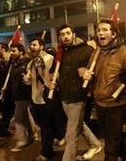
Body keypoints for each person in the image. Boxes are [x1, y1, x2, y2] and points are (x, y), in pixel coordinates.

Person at [82, 18, 126, 160]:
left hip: (116, 105)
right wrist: (85, 74)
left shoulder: (125, 52)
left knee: (110, 145)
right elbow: (90, 73)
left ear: (113, 34)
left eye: (105, 30)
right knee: (110, 138)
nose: (100, 32)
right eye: (99, 30)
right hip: (99, 104)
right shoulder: (96, 52)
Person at [48, 24, 102, 161]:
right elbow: (58, 73)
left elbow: (95, 69)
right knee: (79, 124)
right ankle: (95, 144)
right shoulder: (61, 51)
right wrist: (54, 80)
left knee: (70, 135)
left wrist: (88, 72)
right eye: (62, 34)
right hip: (64, 97)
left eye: (68, 33)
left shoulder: (86, 50)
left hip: (78, 97)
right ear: (59, 37)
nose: (65, 36)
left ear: (74, 34)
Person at [24, 38, 66, 160]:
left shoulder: (49, 58)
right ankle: (60, 136)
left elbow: (53, 74)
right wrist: (26, 79)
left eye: (34, 45)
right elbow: (29, 81)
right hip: (35, 98)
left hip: (47, 97)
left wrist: (53, 81)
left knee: (45, 127)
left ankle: (46, 153)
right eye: (30, 45)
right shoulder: (30, 63)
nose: (31, 47)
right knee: (44, 123)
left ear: (41, 47)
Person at [9, 43, 33, 152]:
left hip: (24, 94)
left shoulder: (27, 62)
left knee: (19, 117)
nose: (11, 53)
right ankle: (33, 133)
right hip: (17, 94)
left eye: (14, 51)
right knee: (25, 115)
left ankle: (23, 139)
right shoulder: (15, 63)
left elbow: (29, 79)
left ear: (21, 51)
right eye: (11, 51)